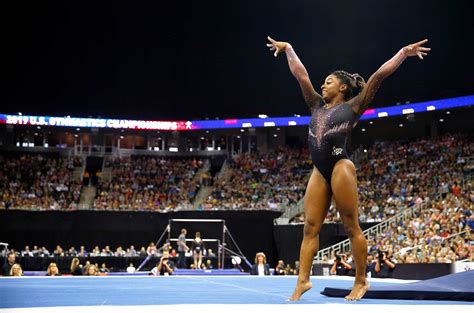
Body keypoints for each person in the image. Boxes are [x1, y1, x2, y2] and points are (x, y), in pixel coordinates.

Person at [267, 36, 430, 301]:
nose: (323, 84)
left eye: (328, 81)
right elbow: (301, 76)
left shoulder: (353, 106)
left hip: (340, 166)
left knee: (351, 225)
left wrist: (402, 52)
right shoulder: (316, 104)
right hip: (319, 170)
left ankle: (361, 281)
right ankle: (302, 281)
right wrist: (289, 49)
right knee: (309, 227)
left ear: (343, 87)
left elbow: (377, 77)